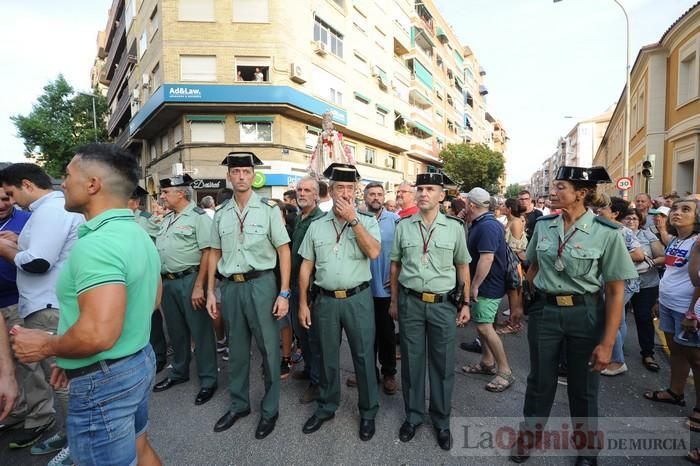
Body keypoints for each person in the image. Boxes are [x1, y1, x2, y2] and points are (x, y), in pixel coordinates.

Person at [9, 143, 162, 466]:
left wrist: (47, 345)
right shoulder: (134, 233)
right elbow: (151, 299)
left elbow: (97, 336)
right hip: (134, 361)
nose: (62, 183)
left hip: (105, 377)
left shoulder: (98, 245)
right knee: (140, 447)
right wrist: (72, 358)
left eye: (68, 175)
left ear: (93, 185)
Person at [510, 166, 637, 465]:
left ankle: (586, 449)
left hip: (585, 313)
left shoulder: (607, 233)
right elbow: (532, 268)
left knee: (584, 386)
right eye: (553, 186)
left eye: (561, 187)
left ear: (581, 193)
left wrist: (607, 343)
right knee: (539, 380)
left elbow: (616, 291)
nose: (553, 192)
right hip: (546, 312)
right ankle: (529, 437)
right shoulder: (543, 225)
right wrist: (531, 300)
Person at [206, 152, 290, 439]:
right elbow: (214, 252)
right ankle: (239, 404)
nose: (241, 176)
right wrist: (209, 291)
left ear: (253, 176)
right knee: (238, 351)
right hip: (231, 287)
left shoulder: (268, 210)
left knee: (269, 349)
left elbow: (283, 251)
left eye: (246, 171)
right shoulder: (221, 214)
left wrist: (284, 292)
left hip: (261, 284)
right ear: (229, 176)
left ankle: (270, 410)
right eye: (236, 171)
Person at [0, 163, 83, 455]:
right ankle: (71, 433)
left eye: (10, 193)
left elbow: (39, 262)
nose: (10, 201)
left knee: (61, 380)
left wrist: (6, 249)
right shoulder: (46, 211)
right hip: (46, 304)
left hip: (50, 306)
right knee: (58, 377)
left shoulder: (51, 210)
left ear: (27, 185)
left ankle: (78, 445)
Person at [297, 163, 380, 441]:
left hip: (357, 299)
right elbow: (306, 266)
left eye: (349, 188)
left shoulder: (367, 221)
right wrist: (303, 303)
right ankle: (327, 406)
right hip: (326, 301)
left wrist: (354, 220)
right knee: (327, 355)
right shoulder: (317, 226)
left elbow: (373, 252)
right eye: (339, 188)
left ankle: (368, 412)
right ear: (330, 192)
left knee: (363, 357)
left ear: (355, 192)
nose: (345, 193)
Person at [389, 172, 471, 451]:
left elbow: (462, 265)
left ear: (441, 195)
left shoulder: (454, 227)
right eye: (420, 188)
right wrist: (393, 302)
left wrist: (466, 303)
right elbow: (396, 266)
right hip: (410, 303)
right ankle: (413, 416)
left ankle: (441, 421)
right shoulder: (404, 226)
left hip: (442, 305)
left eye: (430, 189)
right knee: (412, 363)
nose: (423, 193)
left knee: (442, 364)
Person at [152, 174, 218, 407]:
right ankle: (179, 371)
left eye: (165, 193)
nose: (162, 197)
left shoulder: (199, 218)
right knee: (176, 330)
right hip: (167, 282)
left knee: (200, 331)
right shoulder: (169, 218)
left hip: (190, 280)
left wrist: (200, 286)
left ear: (180, 193)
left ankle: (209, 379)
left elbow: (208, 253)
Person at [644, 198, 700, 408]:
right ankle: (675, 392)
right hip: (668, 304)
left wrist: (692, 313)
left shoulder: (698, 242)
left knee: (696, 359)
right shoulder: (675, 240)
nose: (677, 212)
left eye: (686, 210)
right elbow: (671, 272)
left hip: (688, 310)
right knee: (676, 351)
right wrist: (660, 299)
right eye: (675, 208)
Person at [461, 187, 514, 393]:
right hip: (486, 284)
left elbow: (487, 257)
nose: (464, 205)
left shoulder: (488, 227)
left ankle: (505, 371)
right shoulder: (481, 223)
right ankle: (487, 362)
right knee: (482, 324)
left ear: (472, 205)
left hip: (488, 285)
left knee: (484, 327)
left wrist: (474, 285)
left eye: (466, 203)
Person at [358, 182, 400, 394]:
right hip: (362, 288)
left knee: (386, 333)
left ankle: (389, 373)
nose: (376, 197)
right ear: (365, 197)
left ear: (384, 197)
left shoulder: (395, 220)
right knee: (364, 334)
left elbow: (403, 253)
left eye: (379, 194)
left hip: (384, 289)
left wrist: (397, 279)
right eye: (372, 194)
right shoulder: (356, 219)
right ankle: (367, 372)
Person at [594, 196, 642, 377]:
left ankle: (617, 361)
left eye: (603, 209)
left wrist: (611, 258)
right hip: (610, 283)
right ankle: (616, 354)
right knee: (619, 321)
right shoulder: (602, 229)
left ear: (615, 213)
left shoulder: (622, 231)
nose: (598, 212)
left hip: (623, 284)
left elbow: (638, 254)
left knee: (610, 319)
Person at [288, 177, 325, 403]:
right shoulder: (300, 218)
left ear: (316, 195)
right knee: (302, 333)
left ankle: (318, 382)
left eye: (307, 190)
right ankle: (310, 368)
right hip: (294, 284)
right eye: (299, 190)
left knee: (313, 337)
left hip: (310, 288)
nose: (302, 193)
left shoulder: (320, 220)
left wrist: (308, 292)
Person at [129, 186, 168, 374]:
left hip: (145, 274)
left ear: (135, 202)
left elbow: (163, 237)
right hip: (127, 276)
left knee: (151, 314)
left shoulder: (145, 219)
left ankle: (159, 355)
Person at [621, 208, 665, 372]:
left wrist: (648, 263)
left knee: (644, 317)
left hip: (646, 284)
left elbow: (662, 257)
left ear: (640, 221)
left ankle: (648, 353)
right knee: (619, 318)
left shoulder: (647, 235)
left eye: (634, 218)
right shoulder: (618, 233)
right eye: (628, 218)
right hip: (622, 284)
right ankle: (617, 350)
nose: (631, 221)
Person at [0, 186, 29, 424]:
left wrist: (18, 242)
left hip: (15, 301)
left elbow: (44, 256)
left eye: (6, 198)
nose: (2, 204)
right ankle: (13, 411)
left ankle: (40, 417)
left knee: (27, 364)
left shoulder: (28, 220)